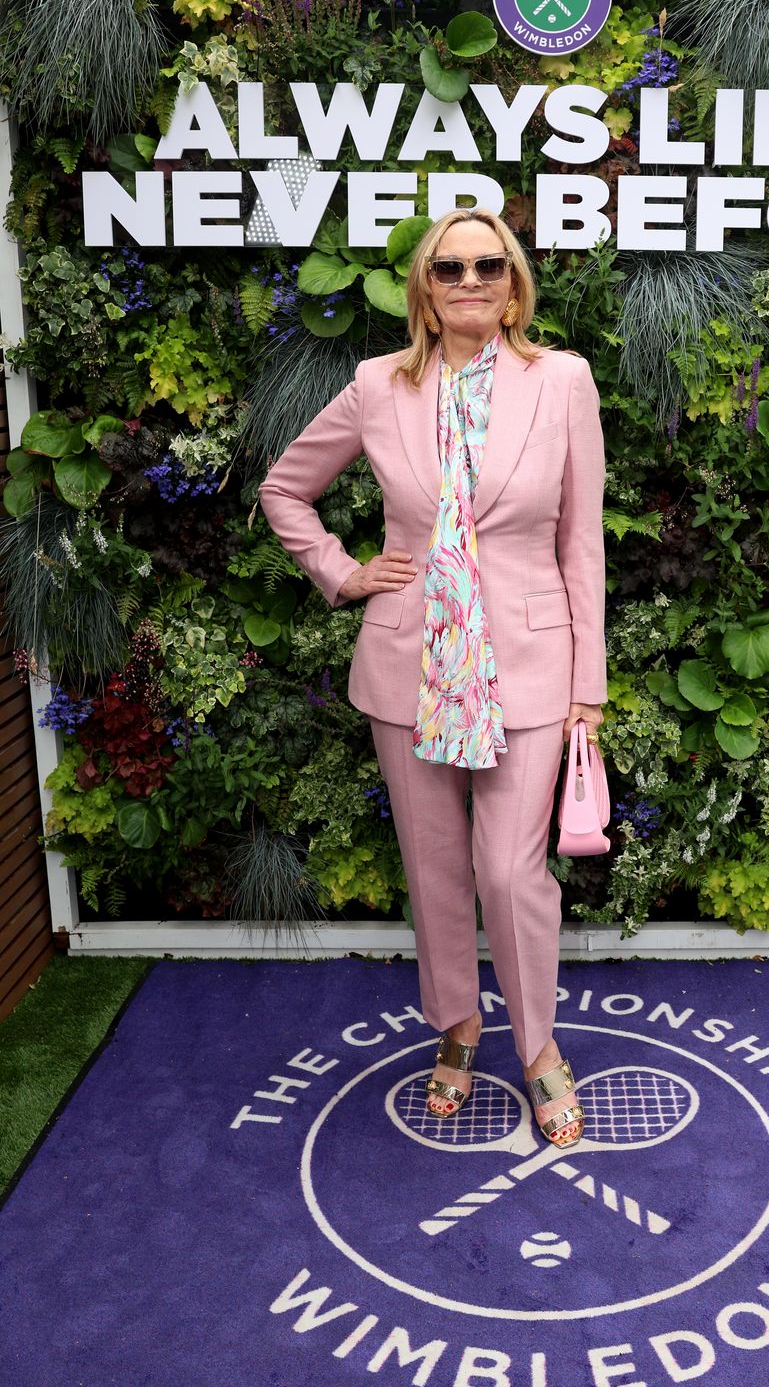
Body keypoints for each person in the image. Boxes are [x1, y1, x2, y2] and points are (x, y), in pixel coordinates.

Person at [259, 207, 607, 1148]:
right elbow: (285, 488)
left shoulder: (563, 381)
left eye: (489, 265)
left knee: (509, 869)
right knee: (437, 868)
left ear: (514, 280)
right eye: (450, 268)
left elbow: (581, 540)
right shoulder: (377, 385)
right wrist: (342, 570)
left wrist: (590, 681)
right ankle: (458, 1027)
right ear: (424, 287)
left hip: (531, 665)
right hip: (410, 663)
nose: (471, 281)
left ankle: (539, 1048)